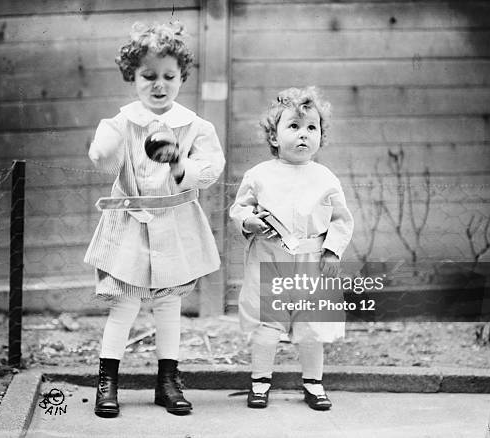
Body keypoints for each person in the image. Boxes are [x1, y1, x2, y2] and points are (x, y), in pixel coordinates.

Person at [84, 21, 225, 418]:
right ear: (133, 76)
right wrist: (105, 146)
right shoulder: (122, 121)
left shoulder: (195, 126)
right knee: (124, 305)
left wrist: (181, 161)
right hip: (130, 222)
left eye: (169, 76)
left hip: (175, 221)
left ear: (182, 77)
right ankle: (107, 382)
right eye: (148, 76)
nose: (159, 85)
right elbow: (103, 159)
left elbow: (210, 169)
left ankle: (167, 382)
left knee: (168, 305)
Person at [229, 87, 353, 410]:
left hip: (312, 261)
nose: (303, 135)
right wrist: (248, 222)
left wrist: (332, 251)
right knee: (266, 325)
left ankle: (313, 383)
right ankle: (260, 382)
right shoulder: (259, 175)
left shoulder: (325, 178)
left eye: (312, 128)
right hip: (270, 257)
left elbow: (341, 219)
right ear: (274, 136)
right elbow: (239, 209)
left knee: (312, 326)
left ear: (321, 136)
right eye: (294, 126)